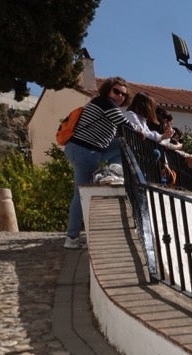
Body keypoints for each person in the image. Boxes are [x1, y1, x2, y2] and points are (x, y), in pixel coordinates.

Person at [62, 76, 138, 249]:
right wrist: (143, 134)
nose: (119, 96)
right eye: (116, 91)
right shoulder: (105, 103)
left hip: (84, 150)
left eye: (123, 95)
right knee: (81, 196)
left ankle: (71, 238)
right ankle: (113, 172)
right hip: (85, 151)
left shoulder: (100, 104)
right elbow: (126, 125)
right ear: (108, 90)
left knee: (79, 195)